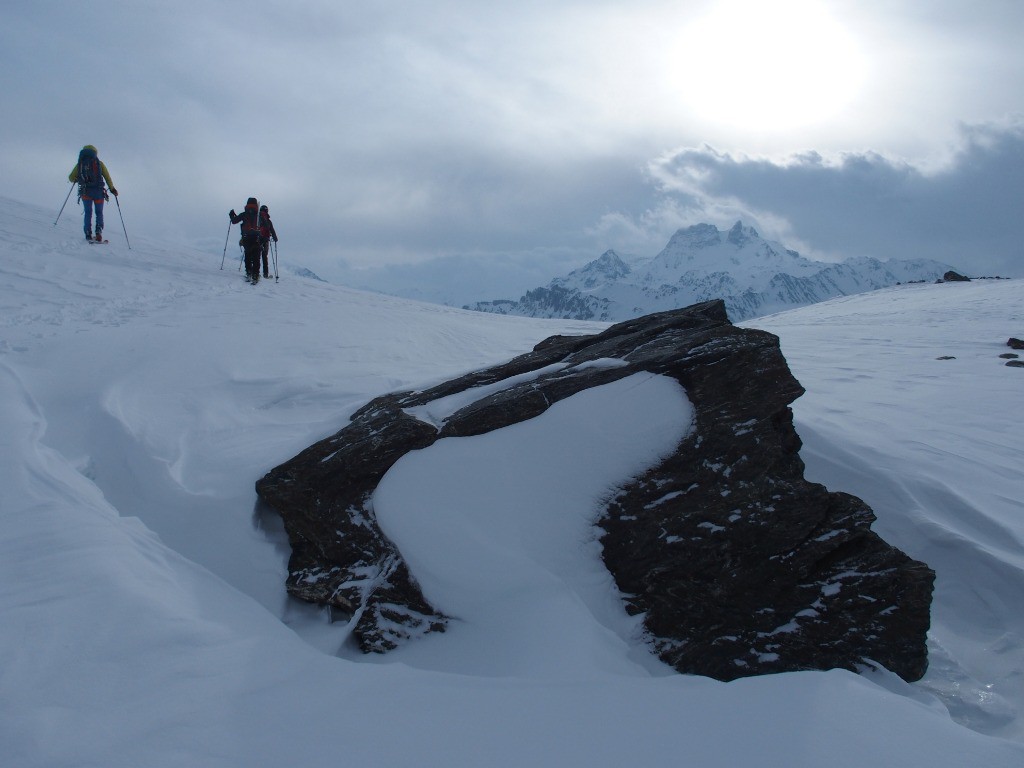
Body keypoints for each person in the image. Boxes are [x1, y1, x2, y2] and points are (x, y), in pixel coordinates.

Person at [68, 145, 117, 241]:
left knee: (88, 212)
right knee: (99, 212)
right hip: (98, 192)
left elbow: (70, 178)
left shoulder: (80, 164)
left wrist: (77, 179)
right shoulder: (99, 163)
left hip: (86, 192)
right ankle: (98, 231)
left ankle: (87, 233)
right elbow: (107, 177)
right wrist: (112, 189)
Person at [229, 197, 263, 282]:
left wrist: (232, 214)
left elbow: (234, 221)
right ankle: (255, 275)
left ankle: (249, 273)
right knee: (256, 257)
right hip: (257, 238)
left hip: (246, 238)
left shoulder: (244, 214)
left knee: (247, 255)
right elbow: (266, 225)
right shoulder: (259, 215)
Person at [258, 204, 279, 279]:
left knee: (257, 255)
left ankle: (255, 272)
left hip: (257, 238)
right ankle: (265, 274)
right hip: (266, 239)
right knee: (264, 256)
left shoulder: (257, 218)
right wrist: (275, 238)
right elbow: (272, 230)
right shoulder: (268, 221)